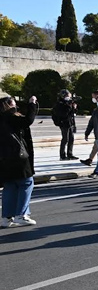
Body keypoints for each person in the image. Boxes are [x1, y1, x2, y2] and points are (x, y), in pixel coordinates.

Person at [1, 95, 38, 227]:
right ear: (8, 105)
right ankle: (21, 215)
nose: (16, 106)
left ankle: (6, 217)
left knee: (10, 186)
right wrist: (32, 104)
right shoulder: (11, 117)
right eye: (13, 103)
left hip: (3, 158)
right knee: (26, 182)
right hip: (18, 156)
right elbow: (28, 120)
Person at [80, 90, 98, 167]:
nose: (93, 98)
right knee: (96, 147)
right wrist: (87, 133)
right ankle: (90, 160)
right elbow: (91, 123)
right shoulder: (96, 110)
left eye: (93, 96)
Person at [51, 89, 78, 160]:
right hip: (64, 123)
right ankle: (62, 155)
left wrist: (74, 108)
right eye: (67, 96)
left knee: (71, 139)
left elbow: (72, 114)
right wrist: (69, 106)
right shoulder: (60, 103)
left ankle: (70, 154)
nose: (69, 98)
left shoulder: (68, 103)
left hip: (70, 123)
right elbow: (64, 113)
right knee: (65, 139)